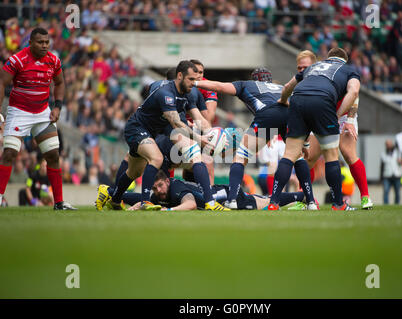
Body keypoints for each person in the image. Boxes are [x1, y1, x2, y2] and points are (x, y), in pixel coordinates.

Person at [103, 60, 228, 211]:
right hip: (137, 128)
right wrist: (199, 138)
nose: (195, 83)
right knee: (156, 158)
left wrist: (212, 135)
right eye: (191, 79)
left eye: (196, 80)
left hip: (156, 131)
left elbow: (200, 119)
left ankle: (113, 198)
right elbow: (176, 123)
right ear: (180, 76)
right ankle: (144, 202)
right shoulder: (165, 93)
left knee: (133, 171)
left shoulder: (190, 92)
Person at [195, 67, 316, 210]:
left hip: (268, 115)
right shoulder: (280, 87)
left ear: (255, 79)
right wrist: (306, 144)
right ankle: (311, 202)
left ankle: (232, 199)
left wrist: (195, 83)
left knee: (240, 157)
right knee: (297, 157)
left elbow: (219, 86)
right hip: (292, 116)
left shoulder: (247, 85)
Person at [268, 47, 360, 211]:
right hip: (323, 100)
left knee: (289, 155)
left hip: (298, 100)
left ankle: (273, 203)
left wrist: (283, 100)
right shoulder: (348, 70)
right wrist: (337, 115)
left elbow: (288, 86)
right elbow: (354, 91)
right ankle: (338, 204)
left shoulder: (313, 68)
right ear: (344, 61)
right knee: (331, 155)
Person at [0, 27, 76, 210]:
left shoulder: (53, 60)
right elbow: (2, 82)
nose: (44, 45)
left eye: (46, 42)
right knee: (9, 153)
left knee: (53, 155)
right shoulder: (17, 60)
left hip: (42, 112)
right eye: (40, 42)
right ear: (30, 43)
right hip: (19, 112)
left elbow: (59, 83)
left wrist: (57, 106)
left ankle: (58, 203)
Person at [293, 50, 374, 210]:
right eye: (299, 68)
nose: (302, 70)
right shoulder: (321, 71)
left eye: (304, 67)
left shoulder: (344, 71)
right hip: (324, 112)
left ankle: (365, 197)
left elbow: (354, 95)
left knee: (349, 154)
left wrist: (349, 120)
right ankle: (306, 199)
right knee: (310, 157)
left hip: (342, 115)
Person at [104, 170, 306, 211]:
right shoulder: (158, 193)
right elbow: (139, 198)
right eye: (155, 188)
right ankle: (301, 196)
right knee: (265, 199)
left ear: (168, 181)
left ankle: (300, 196)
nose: (158, 191)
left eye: (160, 186)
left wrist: (167, 211)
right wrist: (112, 195)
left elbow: (191, 205)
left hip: (226, 195)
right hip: (218, 192)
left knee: (266, 203)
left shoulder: (175, 189)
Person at [380, 139, 402, 204]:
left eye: (389, 144)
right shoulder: (383, 154)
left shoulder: (398, 152)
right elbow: (382, 166)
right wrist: (381, 178)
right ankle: (386, 204)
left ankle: (397, 204)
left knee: (397, 192)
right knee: (386, 191)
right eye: (387, 144)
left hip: (397, 175)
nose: (388, 145)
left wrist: (401, 161)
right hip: (387, 175)